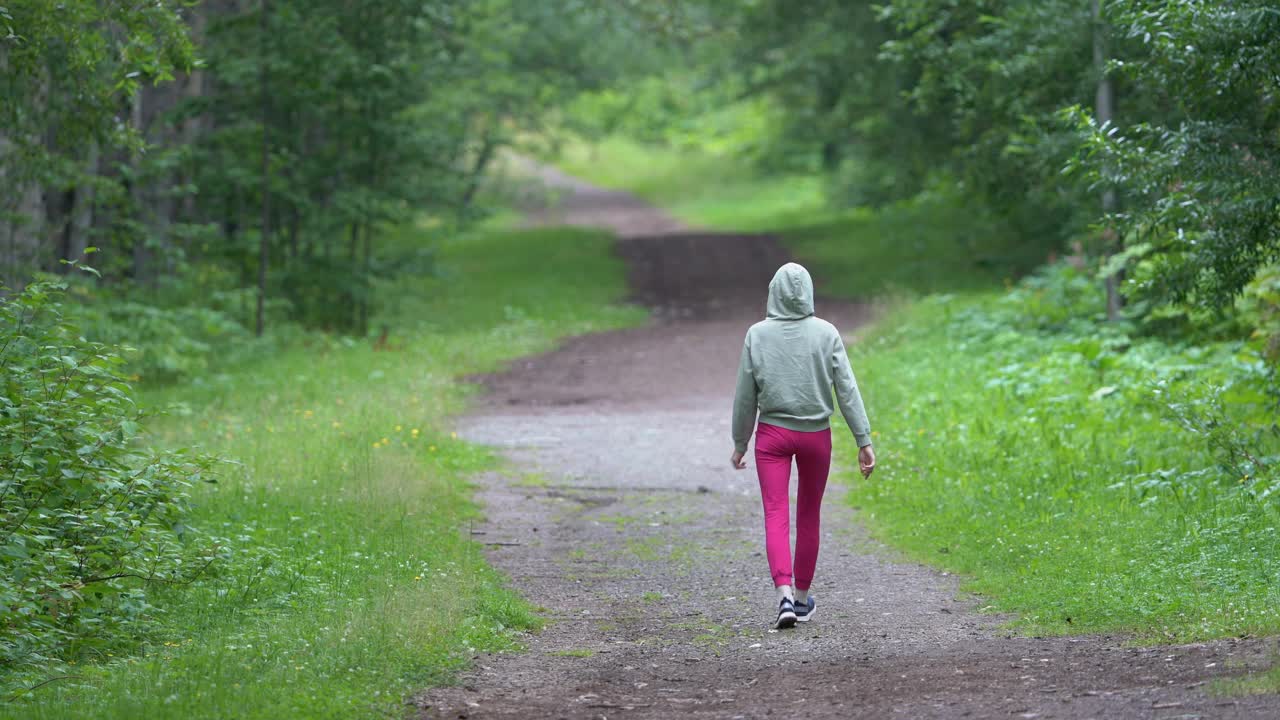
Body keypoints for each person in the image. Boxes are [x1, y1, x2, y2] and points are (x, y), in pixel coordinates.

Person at [730, 262, 875, 629]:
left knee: (775, 513)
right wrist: (863, 439)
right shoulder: (827, 333)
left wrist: (740, 441)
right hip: (815, 437)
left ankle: (783, 596)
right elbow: (847, 389)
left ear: (773, 292)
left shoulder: (757, 335)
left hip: (772, 436)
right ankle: (802, 598)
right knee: (809, 514)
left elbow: (745, 395)